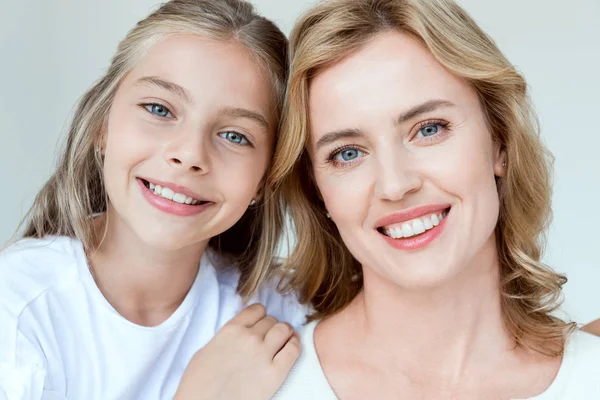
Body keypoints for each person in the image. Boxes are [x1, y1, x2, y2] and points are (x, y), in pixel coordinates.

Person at [271, 0, 600, 398]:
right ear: (317, 189)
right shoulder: (260, 386)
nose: (395, 185)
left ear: (499, 141)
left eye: (428, 129)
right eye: (347, 153)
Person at [0, 1, 308, 399]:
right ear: (102, 126)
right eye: (159, 109)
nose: (190, 155)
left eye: (235, 135)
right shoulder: (17, 307)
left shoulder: (279, 314)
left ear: (266, 180)